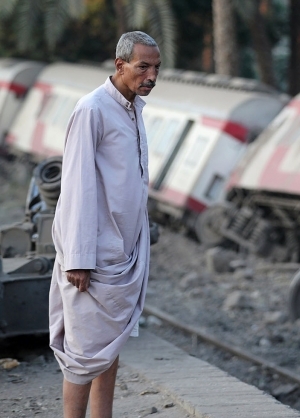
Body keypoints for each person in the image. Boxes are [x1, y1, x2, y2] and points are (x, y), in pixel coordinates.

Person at [49, 31, 160, 418]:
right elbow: (76, 185)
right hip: (94, 253)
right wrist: (79, 258)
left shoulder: (133, 108)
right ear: (120, 65)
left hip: (123, 249)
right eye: (143, 66)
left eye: (156, 68)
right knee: (83, 354)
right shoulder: (92, 109)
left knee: (109, 345)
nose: (151, 76)